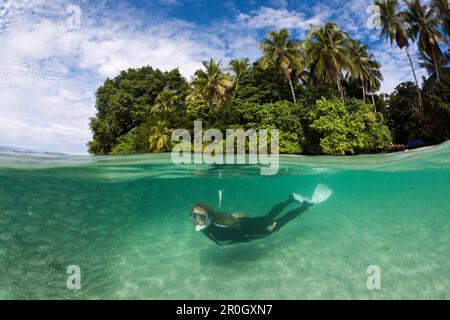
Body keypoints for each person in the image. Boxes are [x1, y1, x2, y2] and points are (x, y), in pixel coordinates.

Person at [191, 184, 332, 245]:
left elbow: (242, 238)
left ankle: (305, 206)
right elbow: (226, 223)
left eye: (201, 216)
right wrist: (236, 217)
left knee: (283, 220)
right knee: (269, 215)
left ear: (208, 216)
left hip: (256, 230)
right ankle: (291, 199)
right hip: (246, 223)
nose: (197, 220)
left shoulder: (216, 232)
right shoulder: (213, 219)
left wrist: (266, 231)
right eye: (193, 216)